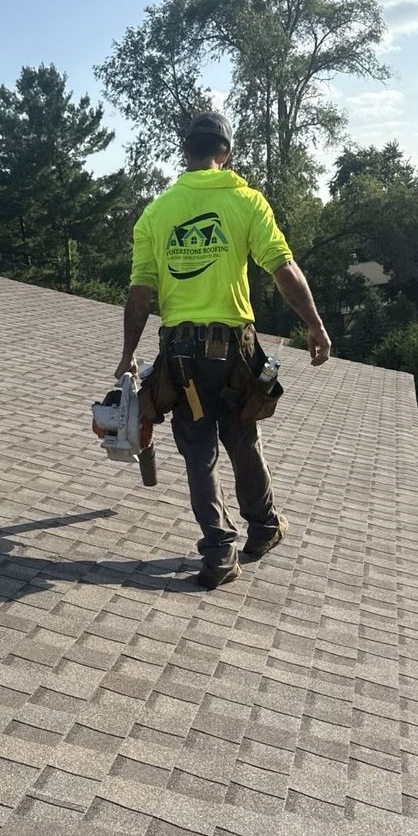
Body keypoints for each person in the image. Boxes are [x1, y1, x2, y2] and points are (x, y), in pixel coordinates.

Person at [116, 111, 332, 590]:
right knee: (242, 435)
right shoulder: (246, 201)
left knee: (198, 450)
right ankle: (264, 527)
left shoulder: (157, 213)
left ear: (185, 151)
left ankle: (218, 554)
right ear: (225, 152)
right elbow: (283, 268)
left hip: (180, 355)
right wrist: (314, 325)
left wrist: (129, 353)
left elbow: (140, 293)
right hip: (234, 349)